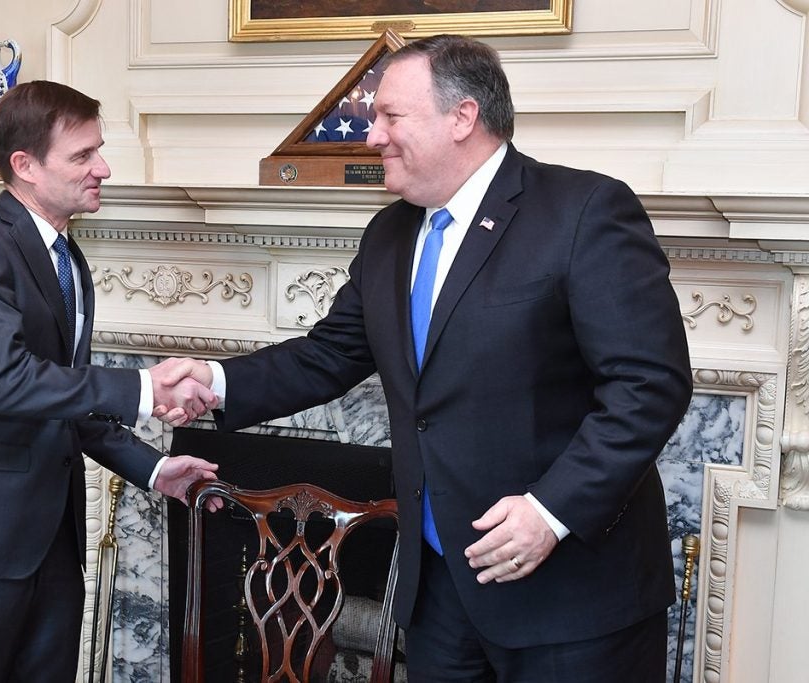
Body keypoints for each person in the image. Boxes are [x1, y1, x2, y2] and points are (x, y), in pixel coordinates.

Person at [164, 35, 693, 681]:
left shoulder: (583, 210)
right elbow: (329, 354)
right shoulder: (391, 231)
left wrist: (550, 510)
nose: (371, 136)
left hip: (571, 597)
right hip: (439, 590)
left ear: (462, 117)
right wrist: (214, 381)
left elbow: (649, 385)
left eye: (390, 116)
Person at [0, 80, 220, 682]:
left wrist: (151, 468)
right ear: (24, 166)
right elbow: (9, 383)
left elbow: (62, 397)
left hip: (52, 539)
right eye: (82, 155)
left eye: (98, 150)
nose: (103, 167)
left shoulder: (68, 258)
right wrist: (144, 389)